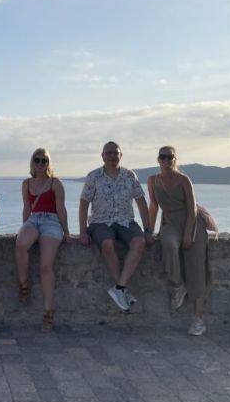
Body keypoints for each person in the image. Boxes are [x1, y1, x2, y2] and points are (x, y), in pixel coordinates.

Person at [79, 141, 154, 312]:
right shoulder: (93, 176)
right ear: (102, 156)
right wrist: (83, 231)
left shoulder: (129, 176)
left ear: (121, 155)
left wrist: (148, 230)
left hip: (125, 221)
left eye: (115, 153)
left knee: (139, 242)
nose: (112, 156)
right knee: (107, 243)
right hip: (100, 221)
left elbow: (141, 203)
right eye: (108, 153)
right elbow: (84, 204)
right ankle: (122, 290)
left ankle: (119, 288)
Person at [147, 146, 211, 336]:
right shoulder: (153, 180)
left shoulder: (184, 180)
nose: (166, 160)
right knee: (168, 244)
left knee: (196, 268)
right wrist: (149, 230)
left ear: (175, 159)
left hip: (191, 223)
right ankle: (177, 284)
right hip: (170, 223)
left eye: (170, 157)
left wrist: (188, 234)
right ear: (158, 159)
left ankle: (198, 320)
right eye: (163, 156)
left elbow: (192, 209)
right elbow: (153, 207)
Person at [14, 148, 69, 331]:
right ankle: (24, 284)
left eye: (44, 160)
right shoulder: (26, 183)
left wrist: (67, 232)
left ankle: (48, 312)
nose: (40, 163)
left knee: (46, 267)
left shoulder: (55, 183)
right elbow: (26, 208)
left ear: (48, 163)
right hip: (34, 219)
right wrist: (24, 227)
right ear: (32, 162)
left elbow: (61, 209)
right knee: (21, 244)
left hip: (52, 222)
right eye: (37, 160)